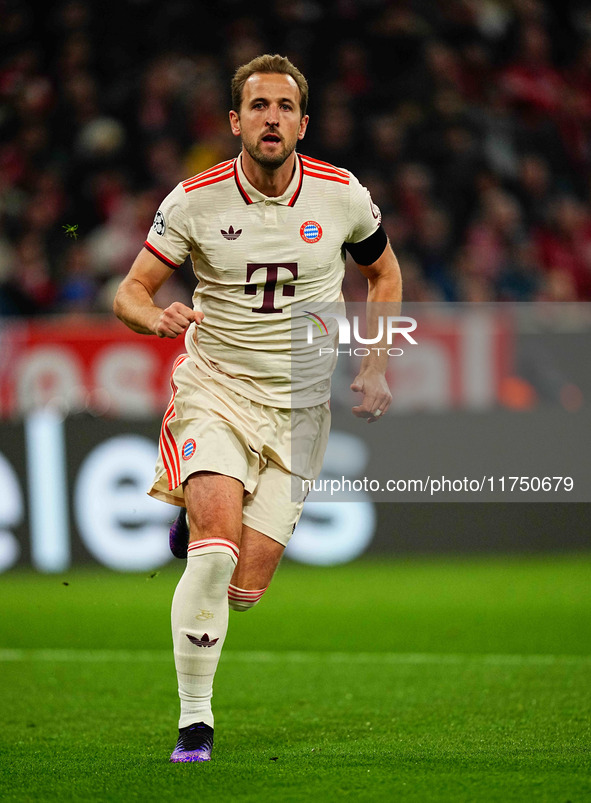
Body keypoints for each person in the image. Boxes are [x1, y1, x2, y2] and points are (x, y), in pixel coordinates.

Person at [113, 53, 402, 763]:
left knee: (243, 588)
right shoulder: (194, 200)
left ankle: (191, 530)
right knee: (215, 554)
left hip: (302, 408)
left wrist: (373, 364)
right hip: (216, 388)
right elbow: (129, 291)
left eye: (283, 106)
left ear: (302, 123)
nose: (270, 117)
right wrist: (151, 319)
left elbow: (384, 272)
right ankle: (195, 722)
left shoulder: (340, 195)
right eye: (257, 105)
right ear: (235, 120)